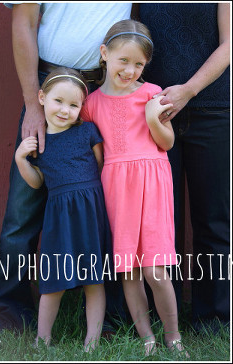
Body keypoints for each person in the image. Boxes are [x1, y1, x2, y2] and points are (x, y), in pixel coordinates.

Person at [0, 3, 131, 342]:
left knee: (113, 206)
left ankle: (112, 317)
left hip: (109, 91)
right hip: (54, 91)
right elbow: (23, 21)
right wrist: (34, 104)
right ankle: (8, 312)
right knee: (22, 211)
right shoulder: (46, 101)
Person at [80, 19, 187, 357]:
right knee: (129, 270)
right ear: (104, 54)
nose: (130, 70)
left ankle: (173, 336)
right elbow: (94, 154)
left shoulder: (151, 93)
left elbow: (167, 143)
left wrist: (155, 117)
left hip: (152, 182)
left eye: (138, 63)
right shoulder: (91, 104)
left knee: (155, 268)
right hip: (116, 187)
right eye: (123, 61)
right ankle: (147, 339)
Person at [137, 3, 231, 335]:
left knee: (214, 223)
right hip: (156, 113)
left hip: (213, 109)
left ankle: (214, 321)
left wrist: (188, 91)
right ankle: (165, 320)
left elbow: (229, 44)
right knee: (162, 227)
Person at [14, 68, 109, 352]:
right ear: (42, 98)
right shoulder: (39, 144)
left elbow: (103, 167)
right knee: (53, 279)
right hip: (58, 216)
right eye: (58, 101)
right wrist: (22, 159)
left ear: (82, 107)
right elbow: (37, 182)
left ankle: (91, 342)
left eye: (73, 104)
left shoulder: (88, 132)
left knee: (94, 279)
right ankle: (42, 340)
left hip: (90, 213)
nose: (65, 110)